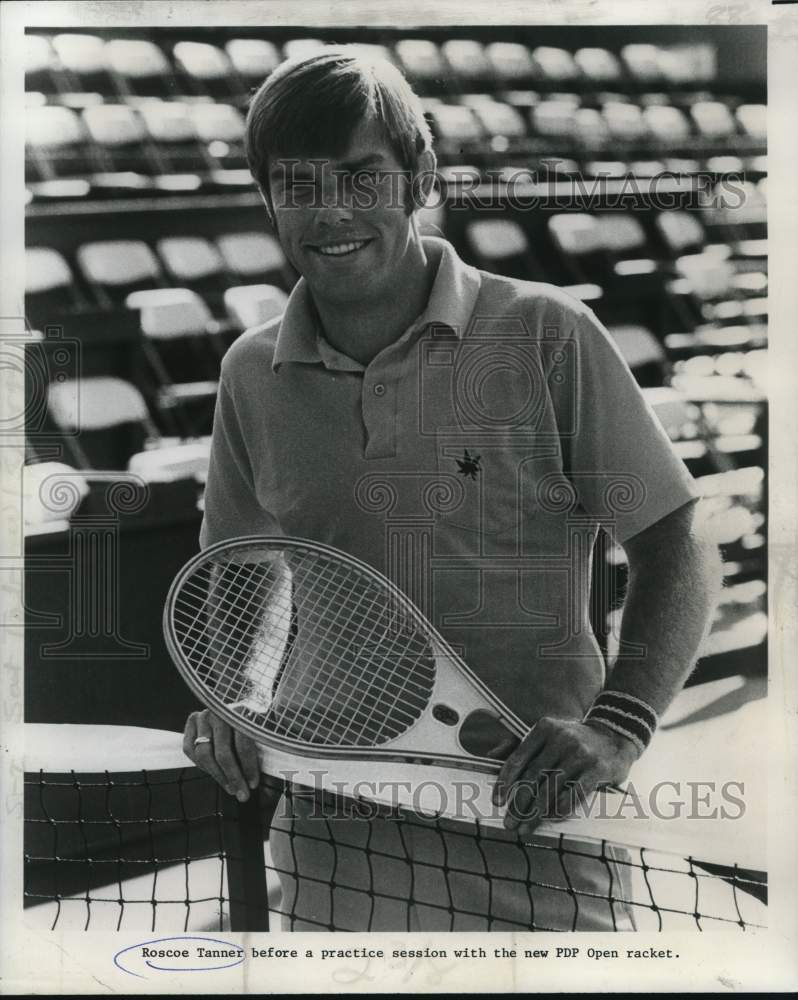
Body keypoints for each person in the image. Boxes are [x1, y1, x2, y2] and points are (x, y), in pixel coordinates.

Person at [183, 47, 722, 931]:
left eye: (363, 177)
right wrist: (232, 694)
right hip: (331, 839)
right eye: (299, 184)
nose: (332, 211)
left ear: (420, 178)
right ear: (269, 198)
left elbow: (680, 540)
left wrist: (620, 723)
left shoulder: (547, 332)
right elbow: (241, 566)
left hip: (531, 821)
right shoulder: (250, 371)